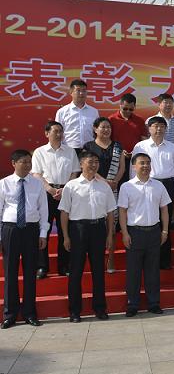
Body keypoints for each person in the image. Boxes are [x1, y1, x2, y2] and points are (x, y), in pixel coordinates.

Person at [59, 150, 116, 322]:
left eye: (96, 162)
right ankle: (74, 311)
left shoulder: (104, 186)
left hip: (98, 229)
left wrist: (110, 235)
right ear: (81, 164)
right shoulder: (71, 186)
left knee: (98, 271)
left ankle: (100, 308)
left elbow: (110, 213)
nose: (94, 165)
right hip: (78, 230)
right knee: (76, 271)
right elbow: (64, 213)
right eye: (90, 162)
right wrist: (66, 236)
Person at [118, 153, 170, 317]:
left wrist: (165, 230)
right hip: (135, 232)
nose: (146, 166)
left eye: (148, 163)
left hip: (154, 231)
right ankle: (132, 304)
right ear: (134, 166)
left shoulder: (158, 185)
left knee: (152, 270)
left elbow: (164, 209)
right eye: (142, 163)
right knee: (133, 271)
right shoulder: (127, 186)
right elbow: (122, 211)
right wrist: (125, 233)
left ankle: (154, 303)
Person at [0, 150, 48, 328]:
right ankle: (10, 314)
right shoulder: (4, 184)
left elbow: (43, 210)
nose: (28, 165)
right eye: (24, 162)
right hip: (10, 229)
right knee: (10, 272)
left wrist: (43, 233)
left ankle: (29, 313)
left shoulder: (37, 184)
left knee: (30, 272)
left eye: (29, 162)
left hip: (31, 230)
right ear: (14, 163)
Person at [132, 116, 174, 270]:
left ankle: (164, 261)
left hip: (167, 185)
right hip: (147, 184)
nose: (159, 129)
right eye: (155, 126)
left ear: (166, 129)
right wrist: (134, 188)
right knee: (151, 221)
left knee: (164, 222)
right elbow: (133, 170)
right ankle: (147, 260)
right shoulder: (140, 146)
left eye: (162, 126)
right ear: (149, 128)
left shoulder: (172, 147)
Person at [31, 121, 80, 278]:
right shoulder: (39, 152)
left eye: (61, 131)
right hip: (46, 193)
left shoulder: (70, 151)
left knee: (65, 230)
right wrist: (50, 189)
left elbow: (74, 172)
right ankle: (41, 266)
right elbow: (36, 174)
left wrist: (65, 189)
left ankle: (64, 266)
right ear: (47, 133)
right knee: (43, 229)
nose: (59, 134)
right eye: (55, 131)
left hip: (66, 192)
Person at [83, 117, 125, 274]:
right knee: (97, 225)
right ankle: (96, 259)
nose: (106, 130)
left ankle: (111, 258)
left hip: (113, 189)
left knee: (111, 226)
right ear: (95, 129)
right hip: (94, 188)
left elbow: (122, 167)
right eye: (103, 127)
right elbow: (88, 168)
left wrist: (115, 181)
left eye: (108, 127)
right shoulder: (88, 146)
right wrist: (105, 181)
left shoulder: (117, 146)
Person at [107, 94, 148, 177]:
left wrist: (135, 151)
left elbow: (144, 140)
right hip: (116, 157)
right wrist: (120, 151)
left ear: (134, 107)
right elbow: (107, 139)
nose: (128, 111)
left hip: (135, 157)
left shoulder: (139, 120)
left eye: (131, 109)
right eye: (125, 109)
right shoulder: (111, 119)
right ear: (120, 105)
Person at [55, 79, 99, 154]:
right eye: (78, 90)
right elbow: (57, 133)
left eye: (84, 91)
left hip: (89, 151)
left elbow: (97, 132)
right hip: (68, 150)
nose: (81, 93)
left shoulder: (94, 112)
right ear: (71, 92)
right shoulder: (62, 112)